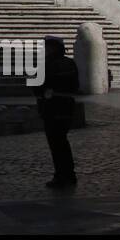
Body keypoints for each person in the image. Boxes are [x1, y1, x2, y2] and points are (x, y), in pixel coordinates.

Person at [34, 35, 80, 189]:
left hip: (51, 107)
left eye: (46, 47)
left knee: (56, 143)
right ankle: (70, 174)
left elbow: (37, 86)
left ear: (52, 48)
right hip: (67, 106)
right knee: (63, 142)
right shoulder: (70, 62)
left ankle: (61, 175)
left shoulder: (47, 64)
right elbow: (75, 85)